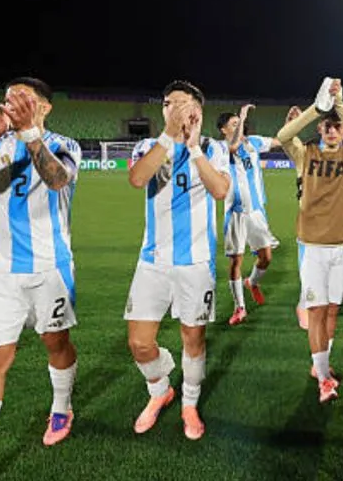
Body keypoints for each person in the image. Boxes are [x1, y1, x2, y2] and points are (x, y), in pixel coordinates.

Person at [0, 78, 82, 481]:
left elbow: (58, 179)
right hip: (1, 273)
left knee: (56, 344)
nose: (13, 105)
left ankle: (61, 406)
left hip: (50, 270)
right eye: (8, 100)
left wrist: (29, 134)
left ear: (45, 107)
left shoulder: (64, 145)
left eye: (23, 99)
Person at [124, 80, 230, 441]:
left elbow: (220, 190)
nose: (173, 108)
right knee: (139, 343)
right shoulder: (148, 146)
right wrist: (169, 136)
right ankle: (160, 390)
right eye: (168, 103)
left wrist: (194, 147)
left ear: (197, 110)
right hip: (152, 260)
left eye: (181, 103)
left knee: (193, 338)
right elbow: (137, 179)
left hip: (196, 263)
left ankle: (190, 403)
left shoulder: (214, 148)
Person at [277, 77, 343, 403]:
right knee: (316, 311)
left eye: (336, 126)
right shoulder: (305, 153)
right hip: (312, 247)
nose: (332, 130)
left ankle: (321, 366)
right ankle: (324, 379)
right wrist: (317, 109)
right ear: (319, 128)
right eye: (327, 126)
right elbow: (283, 136)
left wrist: (340, 104)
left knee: (331, 311)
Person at [216, 106, 281, 326]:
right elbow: (233, 147)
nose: (239, 127)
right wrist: (242, 117)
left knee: (266, 257)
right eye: (234, 124)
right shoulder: (221, 149)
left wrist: (291, 123)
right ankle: (239, 307)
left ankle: (252, 282)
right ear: (223, 130)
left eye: (240, 123)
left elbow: (279, 140)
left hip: (256, 211)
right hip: (235, 212)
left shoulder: (253, 142)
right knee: (236, 260)